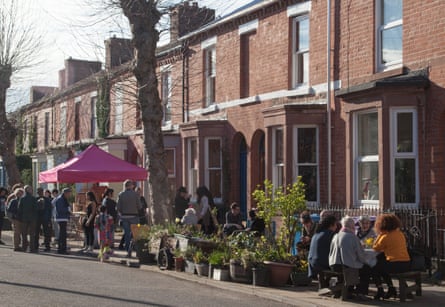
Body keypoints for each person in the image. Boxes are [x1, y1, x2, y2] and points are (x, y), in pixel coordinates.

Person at [329, 216, 370, 300]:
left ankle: (345, 291)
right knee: (366, 269)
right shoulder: (353, 237)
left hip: (334, 265)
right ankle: (361, 292)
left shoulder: (336, 236)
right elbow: (360, 255)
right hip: (346, 265)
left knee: (347, 271)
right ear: (352, 226)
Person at [372, 214, 411, 300]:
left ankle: (381, 289)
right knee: (382, 264)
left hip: (395, 264)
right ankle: (392, 288)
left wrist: (380, 234)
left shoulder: (385, 237)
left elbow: (375, 247)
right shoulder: (400, 234)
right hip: (406, 263)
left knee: (374, 267)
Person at [308, 215, 337, 281]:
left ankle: (325, 284)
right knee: (344, 268)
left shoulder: (316, 234)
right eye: (335, 224)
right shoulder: (330, 234)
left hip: (312, 263)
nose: (336, 227)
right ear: (331, 225)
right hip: (321, 264)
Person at [117, 179, 141, 257]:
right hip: (134, 216)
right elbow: (139, 206)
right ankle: (137, 251)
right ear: (130, 186)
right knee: (135, 234)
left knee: (126, 234)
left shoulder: (121, 194)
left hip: (124, 216)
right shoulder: (135, 194)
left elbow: (118, 207)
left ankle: (128, 251)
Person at [17, 185, 38, 253]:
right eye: (31, 189)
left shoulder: (22, 199)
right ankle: (32, 248)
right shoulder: (33, 198)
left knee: (24, 234)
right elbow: (36, 208)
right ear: (29, 190)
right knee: (32, 234)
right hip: (32, 218)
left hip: (24, 218)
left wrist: (20, 217)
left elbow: (19, 209)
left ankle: (24, 247)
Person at [35, 187, 53, 252]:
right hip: (38, 218)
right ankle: (36, 245)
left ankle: (47, 246)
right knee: (37, 232)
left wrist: (49, 219)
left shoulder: (47, 200)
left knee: (46, 233)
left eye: (39, 191)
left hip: (44, 218)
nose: (38, 192)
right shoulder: (35, 199)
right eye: (38, 191)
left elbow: (50, 209)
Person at [55, 188, 72, 255]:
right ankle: (61, 249)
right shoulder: (60, 199)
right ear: (65, 193)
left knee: (63, 234)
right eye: (69, 193)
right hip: (61, 218)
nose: (69, 195)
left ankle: (62, 248)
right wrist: (68, 209)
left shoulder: (63, 199)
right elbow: (60, 209)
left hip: (63, 218)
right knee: (62, 235)